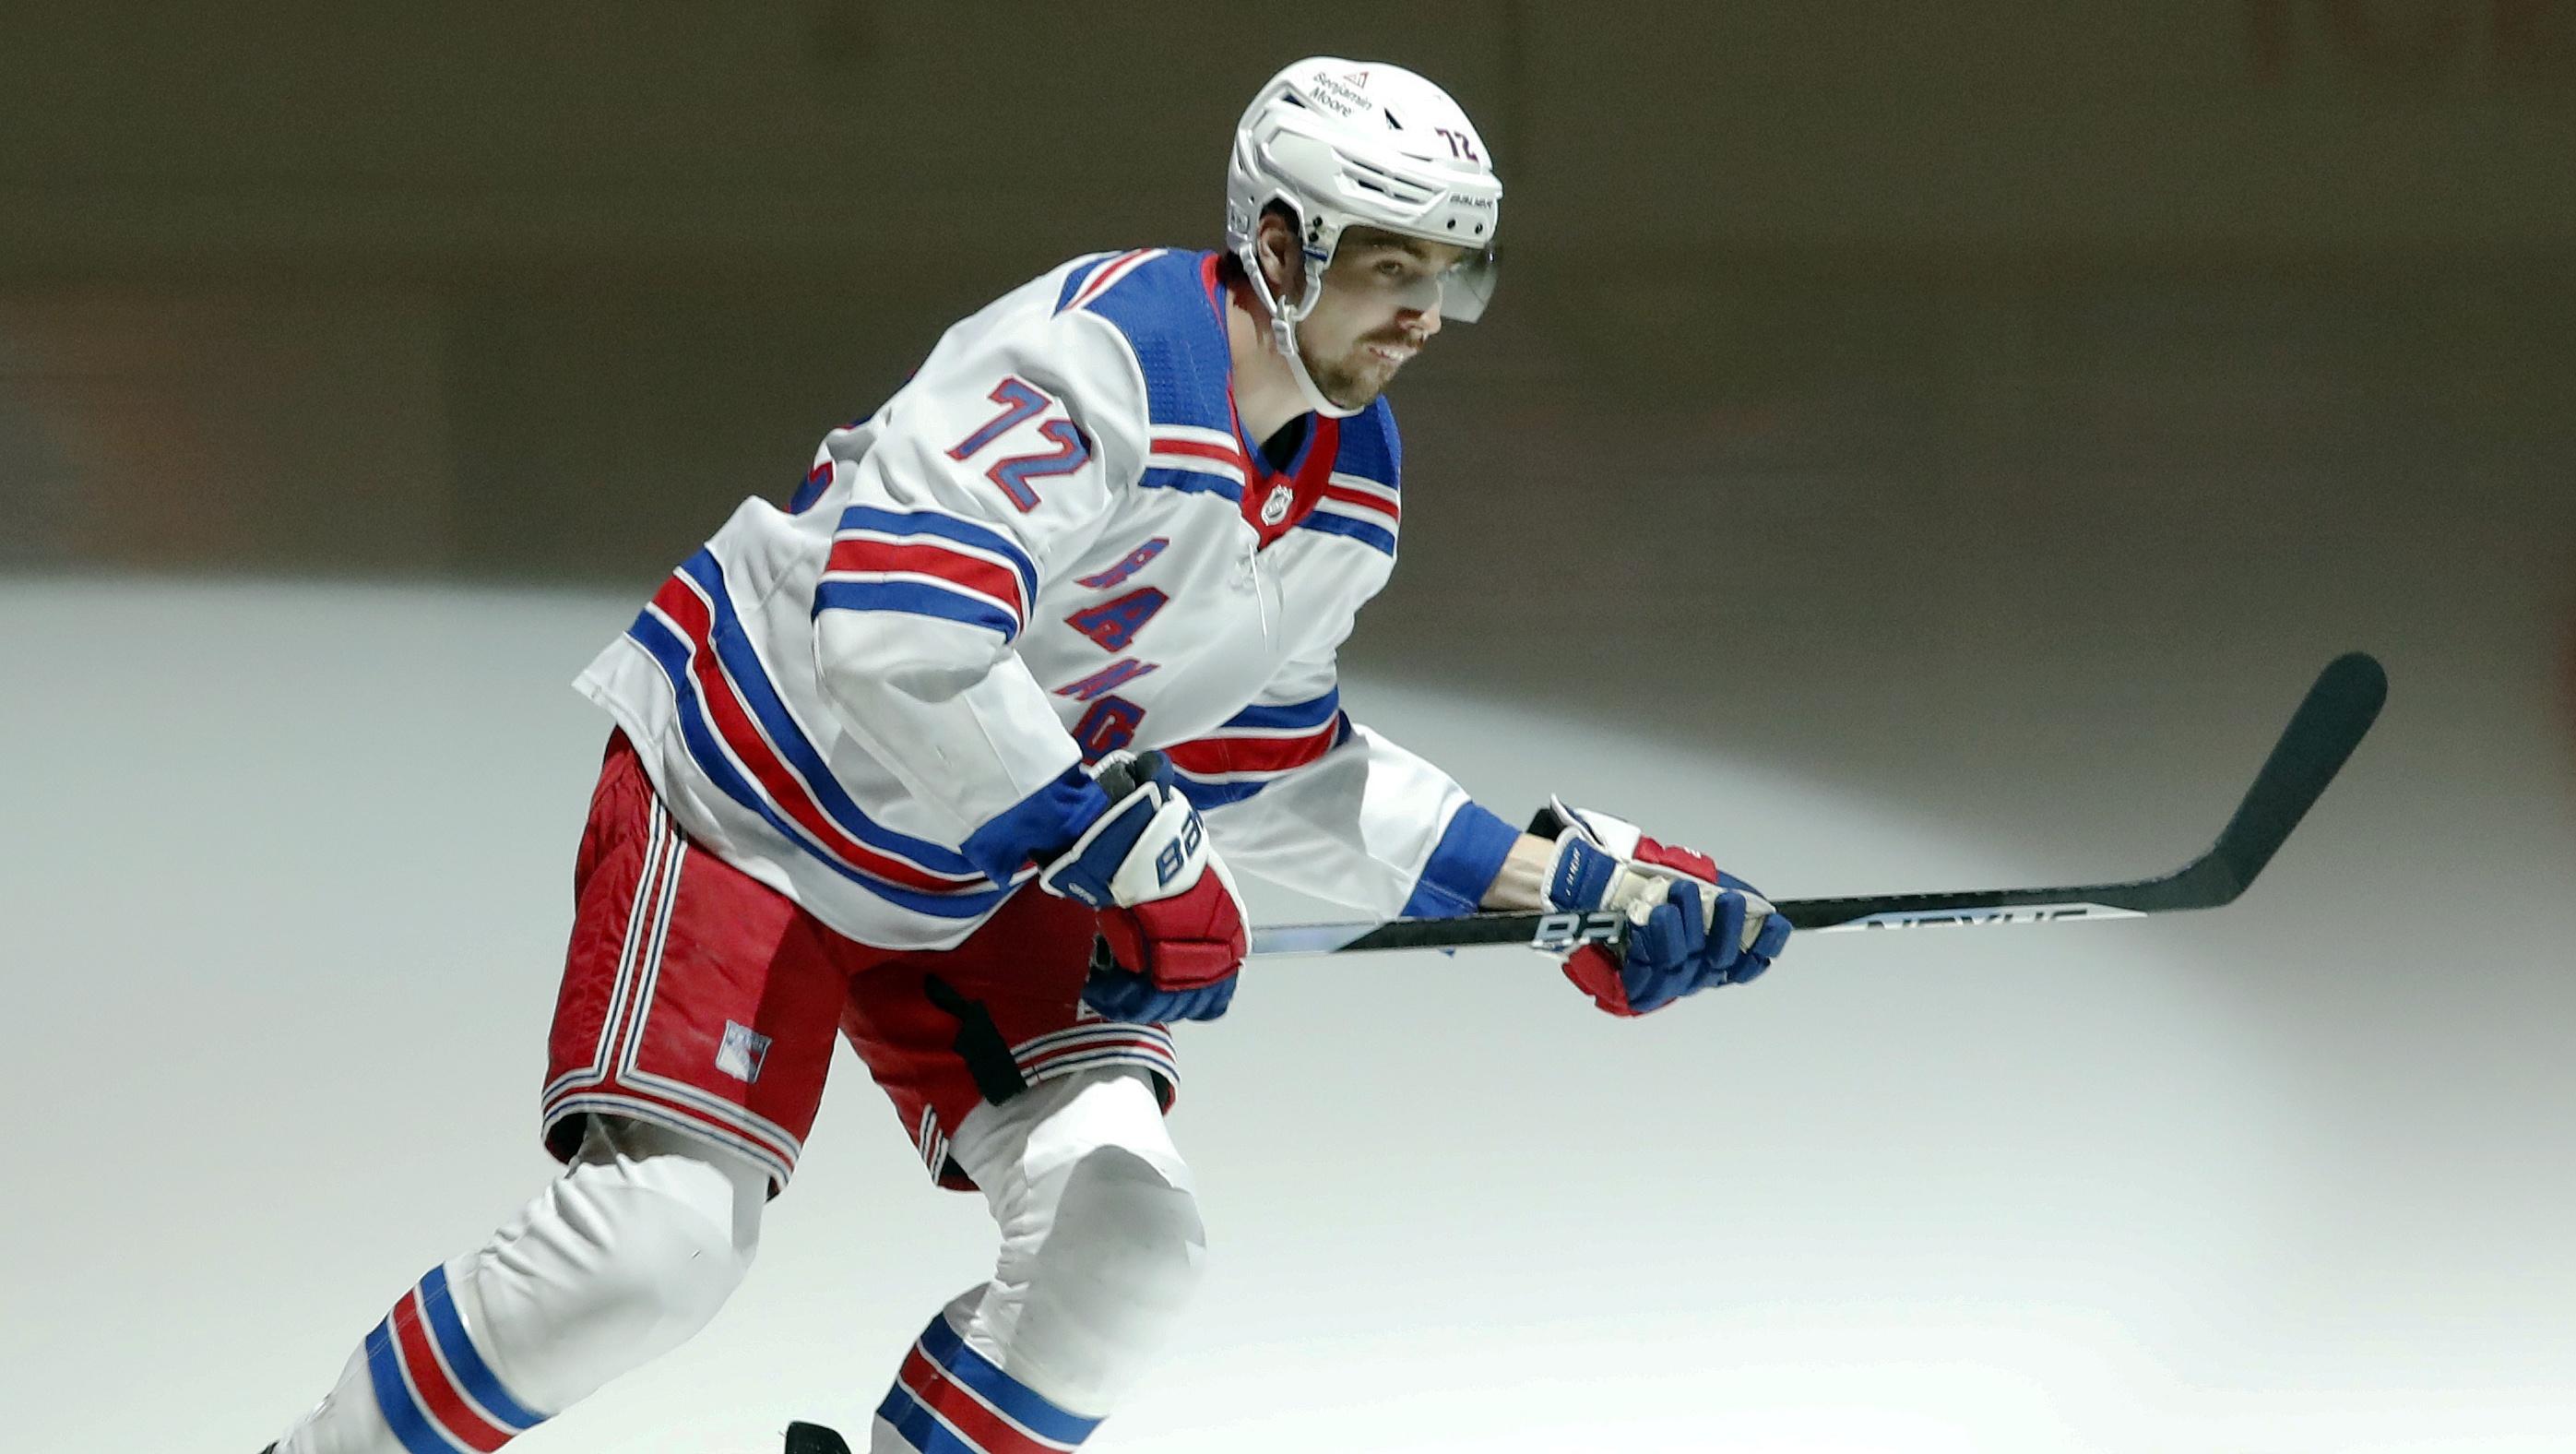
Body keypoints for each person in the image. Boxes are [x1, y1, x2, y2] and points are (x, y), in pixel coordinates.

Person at [262, 56, 1793, 1454]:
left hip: (994, 850)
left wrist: (1565, 885)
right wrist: (1135, 851)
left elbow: (1267, 759)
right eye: (1392, 269)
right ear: (1278, 249)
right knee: (652, 1253)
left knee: (1123, 1239)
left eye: (1450, 276)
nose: (1421, 315)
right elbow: (892, 641)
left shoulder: (1351, 473)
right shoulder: (1095, 360)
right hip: (754, 800)